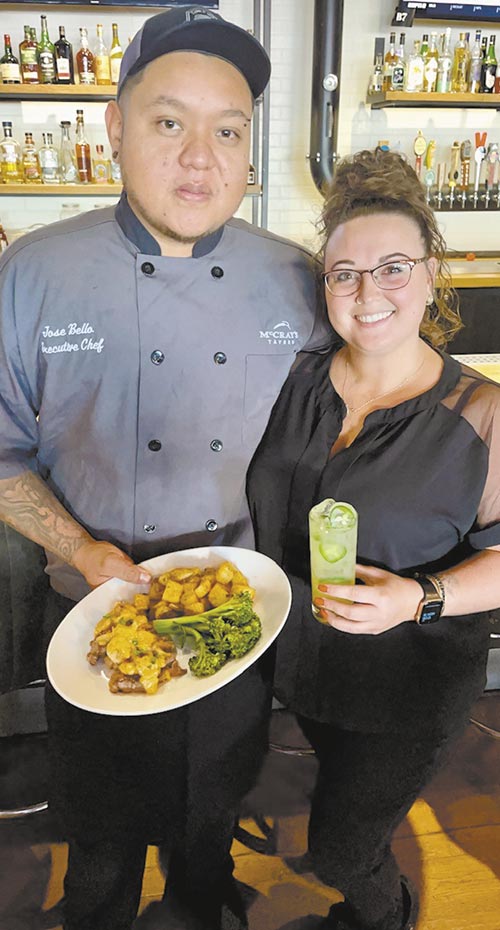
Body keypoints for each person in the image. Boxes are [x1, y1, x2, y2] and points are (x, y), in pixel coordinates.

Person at [0, 8, 332, 930]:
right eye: (168, 122)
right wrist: (79, 546)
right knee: (100, 830)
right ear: (114, 127)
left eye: (228, 130)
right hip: (93, 618)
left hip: (238, 607)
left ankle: (199, 900)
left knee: (212, 808)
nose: (201, 159)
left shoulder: (298, 279)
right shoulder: (31, 274)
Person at [247, 148, 500, 930]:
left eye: (393, 267)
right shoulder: (293, 379)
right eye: (343, 273)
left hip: (409, 685)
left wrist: (422, 596)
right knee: (340, 793)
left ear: (432, 273)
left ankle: (386, 920)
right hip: (304, 658)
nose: (368, 293)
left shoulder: (482, 414)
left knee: (344, 850)